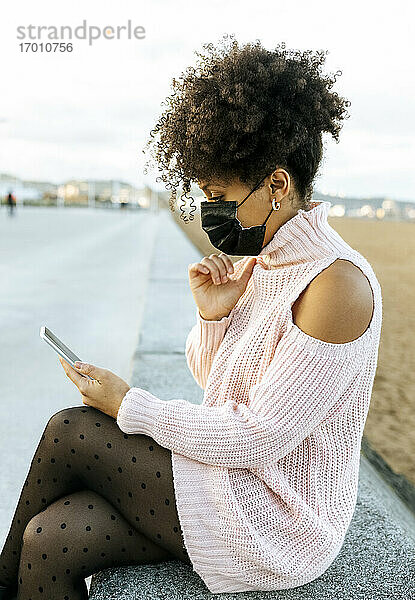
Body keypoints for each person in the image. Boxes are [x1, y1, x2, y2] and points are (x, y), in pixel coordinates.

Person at [0, 36, 382, 599]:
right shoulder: (267, 259)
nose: (211, 214)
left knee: (73, 430)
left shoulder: (336, 285)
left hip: (274, 519)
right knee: (47, 539)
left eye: (220, 195)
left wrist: (129, 405)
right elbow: (219, 387)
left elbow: (256, 438)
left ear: (277, 184)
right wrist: (212, 318)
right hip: (227, 480)